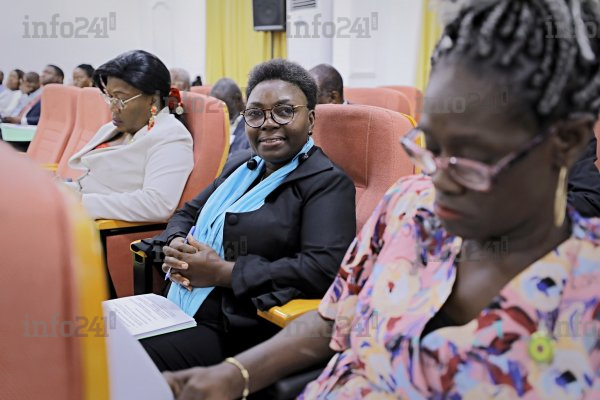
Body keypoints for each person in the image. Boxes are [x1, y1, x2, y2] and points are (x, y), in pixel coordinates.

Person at [163, 1, 600, 398]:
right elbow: (334, 317)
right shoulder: (410, 205)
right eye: (431, 146)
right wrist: (234, 375)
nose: (438, 177)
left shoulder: (586, 293)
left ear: (568, 142)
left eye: (472, 156)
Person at [139, 58, 356, 373]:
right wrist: (176, 244)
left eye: (284, 111)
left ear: (310, 120)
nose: (267, 123)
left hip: (240, 328)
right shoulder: (241, 164)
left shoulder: (327, 183)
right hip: (179, 306)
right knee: (97, 345)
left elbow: (322, 269)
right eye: (255, 114)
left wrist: (222, 273)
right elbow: (188, 213)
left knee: (115, 360)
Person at [66, 50, 194, 222]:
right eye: (109, 97)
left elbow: (157, 204)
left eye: (120, 99)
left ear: (152, 99)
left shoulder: (171, 136)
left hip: (96, 225)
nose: (112, 107)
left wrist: (80, 202)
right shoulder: (117, 127)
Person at [209, 78, 249, 154]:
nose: (217, 108)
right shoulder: (214, 123)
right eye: (213, 104)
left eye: (222, 103)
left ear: (237, 99)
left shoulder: (250, 126)